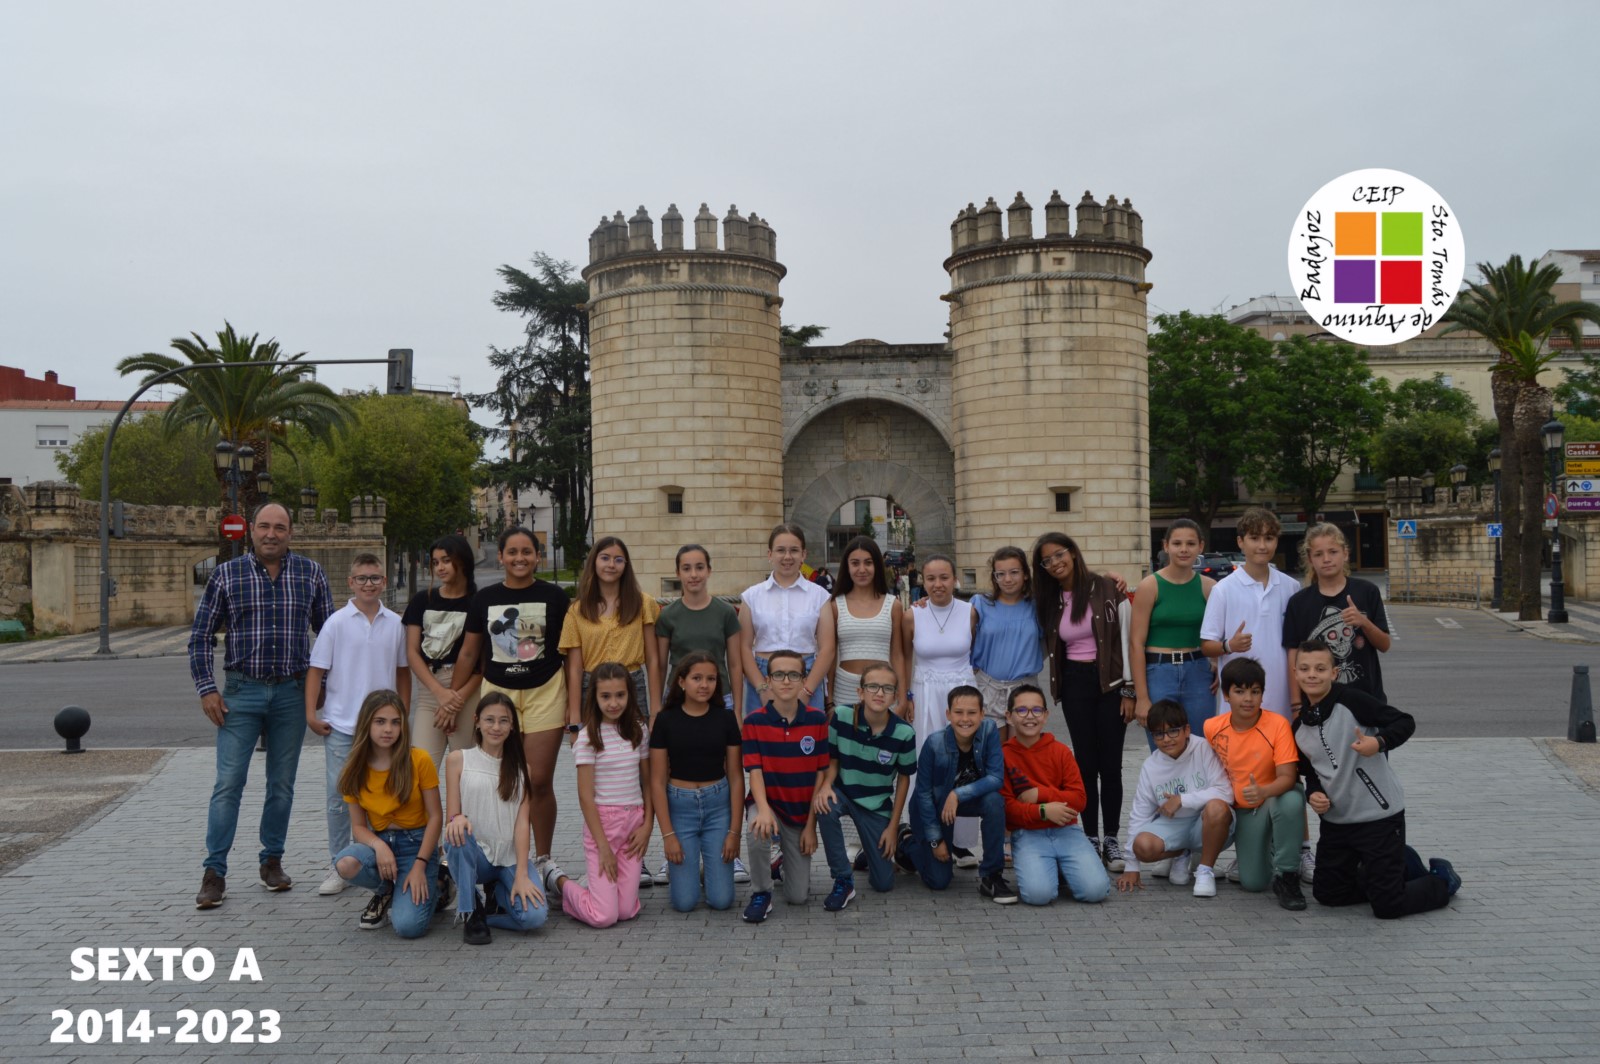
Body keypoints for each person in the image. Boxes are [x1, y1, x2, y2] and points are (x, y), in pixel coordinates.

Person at [189, 501, 333, 910]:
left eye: (280, 527)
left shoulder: (310, 573)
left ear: (291, 532)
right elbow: (200, 636)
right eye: (265, 526)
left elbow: (329, 634)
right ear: (252, 530)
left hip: (291, 693)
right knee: (228, 783)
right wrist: (207, 689)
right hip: (241, 692)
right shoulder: (226, 575)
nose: (272, 534)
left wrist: (323, 686)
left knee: (282, 784)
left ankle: (272, 861)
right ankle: (214, 872)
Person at [1293, 642, 1459, 917]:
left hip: (1379, 818)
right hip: (1337, 823)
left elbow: (1404, 722)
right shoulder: (1299, 727)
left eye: (1320, 669)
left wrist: (1379, 742)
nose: (1312, 674)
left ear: (1334, 673)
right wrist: (1313, 793)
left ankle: (1441, 880)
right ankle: (1398, 864)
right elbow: (1310, 772)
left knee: (1389, 906)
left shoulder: (1352, 701)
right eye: (1305, 668)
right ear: (1296, 673)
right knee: (1328, 895)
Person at [1200, 506, 1309, 884]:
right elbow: (1207, 644)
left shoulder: (1290, 587)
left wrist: (1297, 699)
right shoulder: (1224, 589)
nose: (1262, 545)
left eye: (1269, 538)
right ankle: (1245, 849)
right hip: (1239, 705)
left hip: (1280, 699)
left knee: (1289, 776)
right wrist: (1229, 645)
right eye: (1254, 538)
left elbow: (1297, 647)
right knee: (1239, 775)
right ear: (1240, 542)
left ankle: (1301, 850)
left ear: (1277, 541)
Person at [456, 527, 569, 877]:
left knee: (538, 780)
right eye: (513, 552)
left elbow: (570, 651)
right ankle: (500, 858)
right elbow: (470, 652)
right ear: (502, 557)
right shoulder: (484, 598)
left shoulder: (555, 596)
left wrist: (575, 705)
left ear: (538, 556)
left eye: (527, 552)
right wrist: (453, 700)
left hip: (545, 691)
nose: (520, 558)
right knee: (501, 780)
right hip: (498, 695)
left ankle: (543, 859)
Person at [305, 552, 411, 898]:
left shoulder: (395, 624)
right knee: (339, 797)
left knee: (381, 795)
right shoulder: (336, 623)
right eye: (362, 578)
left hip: (382, 728)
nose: (369, 584)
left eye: (375, 578)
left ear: (384, 581)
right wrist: (311, 714)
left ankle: (376, 861)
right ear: (351, 582)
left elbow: (403, 672)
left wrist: (403, 713)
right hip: (341, 725)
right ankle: (339, 863)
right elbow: (316, 671)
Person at [1033, 532, 1134, 873]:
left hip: (1111, 684)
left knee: (1111, 766)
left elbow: (1126, 640)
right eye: (1046, 561)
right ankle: (1090, 835)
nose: (1055, 563)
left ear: (1073, 553)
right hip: (1075, 683)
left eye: (1059, 554)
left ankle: (1112, 838)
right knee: (1085, 765)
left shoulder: (1108, 588)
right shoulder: (1049, 599)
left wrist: (1130, 690)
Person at [543, 663, 653, 929]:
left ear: (630, 695)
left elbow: (648, 783)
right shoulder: (587, 737)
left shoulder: (639, 730)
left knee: (626, 911)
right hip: (602, 826)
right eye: (606, 696)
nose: (613, 703)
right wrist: (603, 846)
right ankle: (558, 882)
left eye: (620, 695)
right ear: (594, 697)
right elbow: (584, 796)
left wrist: (648, 826)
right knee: (604, 917)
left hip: (634, 825)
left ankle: (595, 887)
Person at [332, 690, 443, 938]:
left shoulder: (419, 759)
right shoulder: (354, 768)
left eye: (395, 722)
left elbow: (436, 817)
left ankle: (440, 884)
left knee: (408, 927)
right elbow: (358, 827)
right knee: (345, 863)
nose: (388, 729)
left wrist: (420, 865)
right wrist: (379, 846)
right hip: (380, 842)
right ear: (366, 724)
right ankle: (385, 890)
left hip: (417, 846)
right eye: (380, 722)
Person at [441, 692, 549, 945]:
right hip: (475, 854)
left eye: (503, 721)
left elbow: (522, 824)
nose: (496, 727)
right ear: (477, 722)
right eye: (489, 720)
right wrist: (457, 818)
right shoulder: (458, 759)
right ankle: (470, 911)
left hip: (508, 857)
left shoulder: (523, 769)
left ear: (512, 727)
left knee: (534, 918)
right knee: (457, 833)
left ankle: (493, 904)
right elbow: (452, 816)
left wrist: (521, 874)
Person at [1203, 657, 1307, 910]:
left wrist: (1263, 791)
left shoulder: (1278, 724)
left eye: (1255, 691)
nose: (1248, 699)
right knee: (1253, 882)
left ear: (1262, 695)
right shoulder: (1212, 727)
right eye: (1239, 691)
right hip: (1245, 810)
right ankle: (1271, 846)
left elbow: (1288, 777)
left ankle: (1288, 875)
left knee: (1292, 799)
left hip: (1274, 797)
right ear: (1226, 695)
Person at [812, 661, 917, 911]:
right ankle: (843, 879)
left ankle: (878, 848)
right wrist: (826, 786)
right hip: (844, 792)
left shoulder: (904, 733)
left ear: (895, 696)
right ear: (860, 692)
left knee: (883, 883)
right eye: (872, 687)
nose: (879, 693)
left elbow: (904, 779)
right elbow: (833, 759)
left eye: (887, 688)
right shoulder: (841, 716)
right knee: (824, 805)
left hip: (876, 804)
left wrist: (892, 826)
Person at [900, 685, 1015, 903]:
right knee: (939, 881)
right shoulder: (934, 743)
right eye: (958, 712)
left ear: (982, 714)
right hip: (933, 806)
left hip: (963, 800)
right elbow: (923, 794)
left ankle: (992, 875)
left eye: (972, 713)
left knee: (994, 801)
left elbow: (995, 778)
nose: (965, 719)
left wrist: (957, 794)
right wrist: (936, 840)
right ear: (948, 714)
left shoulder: (989, 731)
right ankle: (906, 841)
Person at [999, 685, 1111, 907]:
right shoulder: (1003, 755)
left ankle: (1059, 866)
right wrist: (1043, 811)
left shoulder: (1061, 751)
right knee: (1038, 895)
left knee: (1096, 891)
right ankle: (1053, 867)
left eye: (1036, 710)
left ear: (1046, 715)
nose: (1029, 716)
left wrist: (1041, 793)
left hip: (1066, 831)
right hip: (1028, 834)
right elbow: (1008, 809)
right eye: (1021, 710)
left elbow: (1079, 799)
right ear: (1009, 717)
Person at [649, 653, 744, 913]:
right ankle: (689, 872)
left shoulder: (726, 719)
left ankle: (708, 871)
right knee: (684, 903)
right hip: (681, 809)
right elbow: (657, 781)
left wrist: (734, 833)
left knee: (722, 901)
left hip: (717, 807)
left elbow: (736, 777)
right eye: (697, 678)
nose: (704, 685)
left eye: (711, 679)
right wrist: (668, 836)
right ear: (681, 682)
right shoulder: (665, 720)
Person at [741, 648, 830, 923]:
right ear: (768, 681)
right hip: (768, 803)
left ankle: (780, 864)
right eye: (779, 675)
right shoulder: (754, 722)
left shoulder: (817, 720)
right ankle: (761, 893)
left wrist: (811, 827)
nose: (787, 681)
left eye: (794, 674)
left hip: (799, 813)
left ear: (804, 680)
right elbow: (755, 773)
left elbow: (820, 774)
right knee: (757, 828)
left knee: (798, 896)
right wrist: (763, 810)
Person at [1114, 699, 1234, 898]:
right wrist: (1131, 867)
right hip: (1174, 825)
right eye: (1159, 734)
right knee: (1142, 846)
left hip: (1206, 823)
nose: (1167, 739)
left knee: (1217, 807)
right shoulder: (1151, 765)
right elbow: (1140, 814)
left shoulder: (1203, 748)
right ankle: (1181, 852)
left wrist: (1182, 800)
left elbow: (1226, 792)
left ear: (1187, 730)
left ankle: (1205, 870)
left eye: (1173, 731)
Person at [1283, 522, 1392, 705]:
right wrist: (1296, 704)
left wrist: (1364, 622)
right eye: (1318, 554)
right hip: (1317, 703)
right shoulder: (1298, 603)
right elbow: (1293, 655)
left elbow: (1384, 645)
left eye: (1333, 552)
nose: (1326, 559)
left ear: (1345, 553)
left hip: (1367, 702)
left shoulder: (1367, 592)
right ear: (1310, 559)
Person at [1131, 519, 1216, 748]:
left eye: (1191, 543)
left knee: (1201, 746)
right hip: (1159, 672)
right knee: (1164, 745)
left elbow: (1217, 634)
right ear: (1166, 546)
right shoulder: (1150, 586)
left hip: (1198, 672)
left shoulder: (1209, 587)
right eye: (1177, 543)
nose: (1184, 549)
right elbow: (1136, 643)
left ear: (1200, 546)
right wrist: (1142, 697)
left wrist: (1218, 663)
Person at [562, 535, 662, 722]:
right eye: (605, 558)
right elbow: (575, 669)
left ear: (626, 565)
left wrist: (656, 709)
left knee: (635, 740)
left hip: (632, 686)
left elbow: (653, 659)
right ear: (594, 561)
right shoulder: (577, 611)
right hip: (592, 688)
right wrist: (575, 719)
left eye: (618, 560)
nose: (611, 565)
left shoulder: (643, 603)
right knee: (595, 740)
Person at [403, 533, 481, 771]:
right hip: (430, 690)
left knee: (467, 770)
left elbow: (481, 664)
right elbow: (412, 653)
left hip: (467, 693)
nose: (440, 567)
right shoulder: (422, 600)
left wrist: (454, 701)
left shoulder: (478, 602)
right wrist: (440, 694)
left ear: (463, 561)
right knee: (419, 768)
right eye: (435, 562)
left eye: (446, 560)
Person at [739, 524, 833, 714]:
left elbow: (827, 648)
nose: (787, 557)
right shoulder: (751, 596)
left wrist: (807, 690)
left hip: (807, 675)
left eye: (794, 550)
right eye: (780, 550)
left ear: (803, 555)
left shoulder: (820, 596)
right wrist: (762, 688)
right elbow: (743, 647)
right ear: (770, 554)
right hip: (763, 677)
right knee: (762, 732)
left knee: (807, 732)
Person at [816, 535, 907, 709]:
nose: (862, 569)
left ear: (877, 565)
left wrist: (902, 699)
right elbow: (830, 656)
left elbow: (897, 655)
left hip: (883, 691)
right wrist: (829, 700)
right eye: (855, 563)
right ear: (847, 567)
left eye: (868, 563)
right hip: (845, 689)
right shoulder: (835, 605)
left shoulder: (893, 605)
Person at [901, 553, 975, 760]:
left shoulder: (970, 612)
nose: (938, 584)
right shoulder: (912, 615)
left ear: (954, 579)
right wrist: (906, 696)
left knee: (964, 751)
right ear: (923, 582)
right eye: (931, 579)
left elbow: (976, 652)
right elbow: (906, 658)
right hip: (925, 691)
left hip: (963, 689)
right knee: (927, 750)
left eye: (944, 577)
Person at [655, 544, 743, 713]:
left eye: (700, 567)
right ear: (678, 573)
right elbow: (660, 666)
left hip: (719, 696)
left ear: (709, 571)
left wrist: (737, 711)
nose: (694, 574)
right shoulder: (667, 615)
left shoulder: (726, 612)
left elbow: (735, 665)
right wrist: (657, 708)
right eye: (686, 569)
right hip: (678, 697)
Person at [969, 546, 1043, 744]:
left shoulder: (1037, 606)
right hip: (989, 688)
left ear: (1025, 574)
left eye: (1014, 572)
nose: (1007, 579)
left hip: (1025, 689)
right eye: (1000, 574)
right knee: (993, 752)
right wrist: (925, 603)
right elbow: (955, 626)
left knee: (1021, 752)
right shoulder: (980, 604)